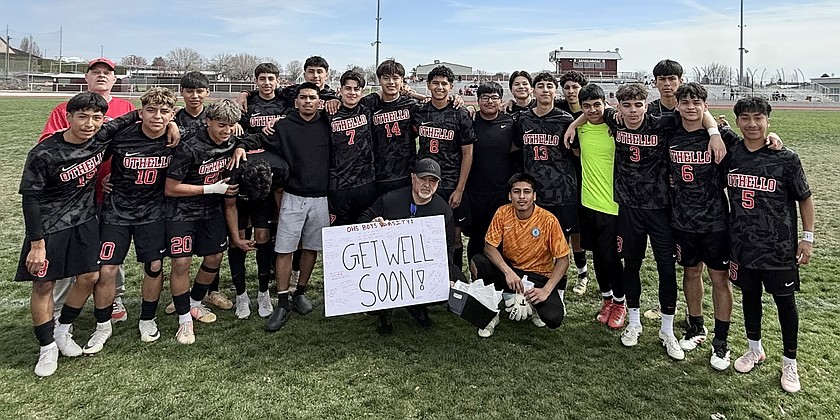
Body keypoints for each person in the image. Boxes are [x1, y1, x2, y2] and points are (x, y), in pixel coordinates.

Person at [564, 82, 725, 361]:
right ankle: (634, 322)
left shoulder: (662, 123)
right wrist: (572, 124)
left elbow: (696, 113)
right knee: (631, 265)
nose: (633, 110)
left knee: (665, 269)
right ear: (619, 108)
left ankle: (667, 330)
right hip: (629, 209)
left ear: (646, 105)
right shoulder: (615, 120)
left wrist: (714, 132)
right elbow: (591, 113)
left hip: (660, 209)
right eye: (627, 105)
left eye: (638, 105)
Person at [17, 92, 139, 376]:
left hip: (85, 220)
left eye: (96, 118)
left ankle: (62, 329)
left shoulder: (99, 136)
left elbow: (133, 115)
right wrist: (37, 244)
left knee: (89, 277)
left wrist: (170, 124)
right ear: (68, 117)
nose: (89, 124)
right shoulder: (44, 152)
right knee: (44, 285)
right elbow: (30, 199)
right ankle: (46, 347)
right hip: (49, 226)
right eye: (82, 117)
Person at [725, 97, 813, 393]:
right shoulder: (732, 155)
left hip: (779, 246)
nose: (752, 124)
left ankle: (790, 362)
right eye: (746, 118)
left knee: (784, 303)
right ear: (737, 122)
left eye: (759, 118)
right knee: (749, 297)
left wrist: (807, 238)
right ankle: (754, 348)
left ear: (768, 121)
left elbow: (805, 197)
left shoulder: (786, 157)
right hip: (742, 244)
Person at [40, 57, 135, 323]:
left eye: (107, 73)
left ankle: (114, 297)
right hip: (73, 194)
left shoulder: (125, 106)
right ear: (87, 77)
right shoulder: (65, 108)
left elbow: (136, 140)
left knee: (110, 247)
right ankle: (59, 307)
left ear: (115, 79)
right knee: (69, 248)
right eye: (96, 72)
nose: (102, 76)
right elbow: (49, 145)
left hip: (113, 189)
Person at [164, 99, 252, 344]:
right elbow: (171, 188)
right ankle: (184, 320)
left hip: (211, 211)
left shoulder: (232, 143)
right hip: (182, 211)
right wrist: (211, 188)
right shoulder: (189, 146)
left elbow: (249, 140)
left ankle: (193, 302)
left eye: (231, 125)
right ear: (208, 121)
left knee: (214, 258)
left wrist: (240, 146)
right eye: (221, 125)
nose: (226, 130)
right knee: (181, 263)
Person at [666, 83, 739, 369]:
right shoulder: (670, 131)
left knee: (720, 279)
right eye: (685, 102)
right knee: (690, 271)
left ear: (705, 106)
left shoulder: (722, 137)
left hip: (715, 221)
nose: (691, 107)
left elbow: (753, 145)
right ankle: (696, 326)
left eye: (697, 102)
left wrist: (773, 138)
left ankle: (721, 341)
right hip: (682, 221)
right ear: (678, 105)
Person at [99, 87, 180, 345]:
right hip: (117, 212)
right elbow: (93, 152)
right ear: (141, 112)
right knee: (107, 269)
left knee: (154, 267)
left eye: (164, 112)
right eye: (151, 110)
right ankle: (102, 325)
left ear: (172, 115)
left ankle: (147, 318)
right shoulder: (122, 137)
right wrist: (103, 181)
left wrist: (175, 125)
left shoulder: (176, 139)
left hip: (153, 213)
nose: (157, 116)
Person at [358, 159, 465, 335]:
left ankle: (417, 304)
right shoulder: (391, 199)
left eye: (433, 181)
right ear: (413, 178)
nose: (427, 185)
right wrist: (373, 223)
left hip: (423, 265)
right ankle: (384, 311)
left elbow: (448, 248)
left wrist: (446, 274)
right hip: (389, 264)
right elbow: (363, 219)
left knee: (458, 282)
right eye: (423, 179)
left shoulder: (443, 210)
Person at [224, 62, 291, 320]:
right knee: (238, 238)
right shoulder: (246, 106)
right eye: (261, 78)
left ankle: (263, 292)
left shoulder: (286, 101)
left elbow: (311, 92)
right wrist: (241, 143)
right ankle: (241, 295)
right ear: (255, 81)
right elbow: (230, 128)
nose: (266, 82)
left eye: (270, 78)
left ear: (277, 80)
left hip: (270, 177)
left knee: (264, 235)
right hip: (242, 172)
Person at [263, 82, 331, 332]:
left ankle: (300, 291)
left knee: (311, 248)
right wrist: (240, 145)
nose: (307, 101)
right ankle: (282, 300)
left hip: (321, 197)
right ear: (296, 101)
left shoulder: (327, 123)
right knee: (284, 249)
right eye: (303, 97)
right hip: (293, 195)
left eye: (312, 97)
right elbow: (260, 141)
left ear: (319, 100)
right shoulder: (283, 126)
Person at [470, 172, 571, 337]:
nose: (522, 196)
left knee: (553, 318)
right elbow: (489, 247)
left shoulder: (548, 220)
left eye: (527, 191)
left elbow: (563, 260)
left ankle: (533, 304)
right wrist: (507, 272)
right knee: (478, 262)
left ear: (534, 195)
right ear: (510, 196)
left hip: (539, 276)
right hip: (513, 273)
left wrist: (546, 290)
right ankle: (490, 314)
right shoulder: (502, 213)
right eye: (517, 192)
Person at [513, 72, 576, 298]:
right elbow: (516, 148)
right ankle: (533, 288)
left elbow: (577, 152)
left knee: (560, 248)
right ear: (533, 90)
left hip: (562, 193)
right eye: (540, 86)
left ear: (555, 91)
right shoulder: (523, 119)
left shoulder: (565, 119)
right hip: (534, 195)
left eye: (550, 86)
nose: (545, 90)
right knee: (534, 245)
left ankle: (558, 293)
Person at [569, 84, 626, 329]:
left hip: (613, 205)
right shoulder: (579, 129)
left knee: (612, 258)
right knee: (598, 257)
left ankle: (620, 302)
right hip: (587, 202)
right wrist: (573, 124)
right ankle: (606, 299)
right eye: (587, 106)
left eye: (597, 105)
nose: (592, 110)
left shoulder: (617, 126)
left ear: (605, 104)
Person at [413, 65, 476, 270]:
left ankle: (454, 276)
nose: (440, 87)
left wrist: (460, 189)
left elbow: (468, 153)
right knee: (423, 232)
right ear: (428, 85)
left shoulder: (460, 114)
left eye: (444, 84)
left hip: (450, 182)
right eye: (435, 83)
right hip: (425, 181)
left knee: (454, 235)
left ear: (451, 86)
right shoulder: (420, 111)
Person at [464, 82, 516, 262]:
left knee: (500, 238)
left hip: (500, 192)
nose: (489, 101)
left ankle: (498, 279)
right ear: (478, 100)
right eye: (485, 97)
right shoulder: (469, 120)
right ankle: (475, 279)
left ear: (501, 101)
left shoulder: (509, 122)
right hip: (475, 191)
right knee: (477, 238)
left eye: (494, 97)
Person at [328, 70, 378, 226]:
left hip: (365, 182)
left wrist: (419, 95)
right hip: (338, 183)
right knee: (339, 231)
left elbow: (390, 90)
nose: (352, 92)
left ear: (362, 91)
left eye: (356, 89)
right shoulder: (329, 111)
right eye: (348, 88)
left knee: (366, 228)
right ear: (341, 89)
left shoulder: (367, 106)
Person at [558, 70, 591, 294]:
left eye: (575, 87)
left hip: (587, 174)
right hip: (562, 176)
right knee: (562, 230)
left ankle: (582, 273)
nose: (571, 92)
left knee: (578, 229)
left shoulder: (593, 109)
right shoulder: (559, 108)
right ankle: (559, 272)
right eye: (567, 87)